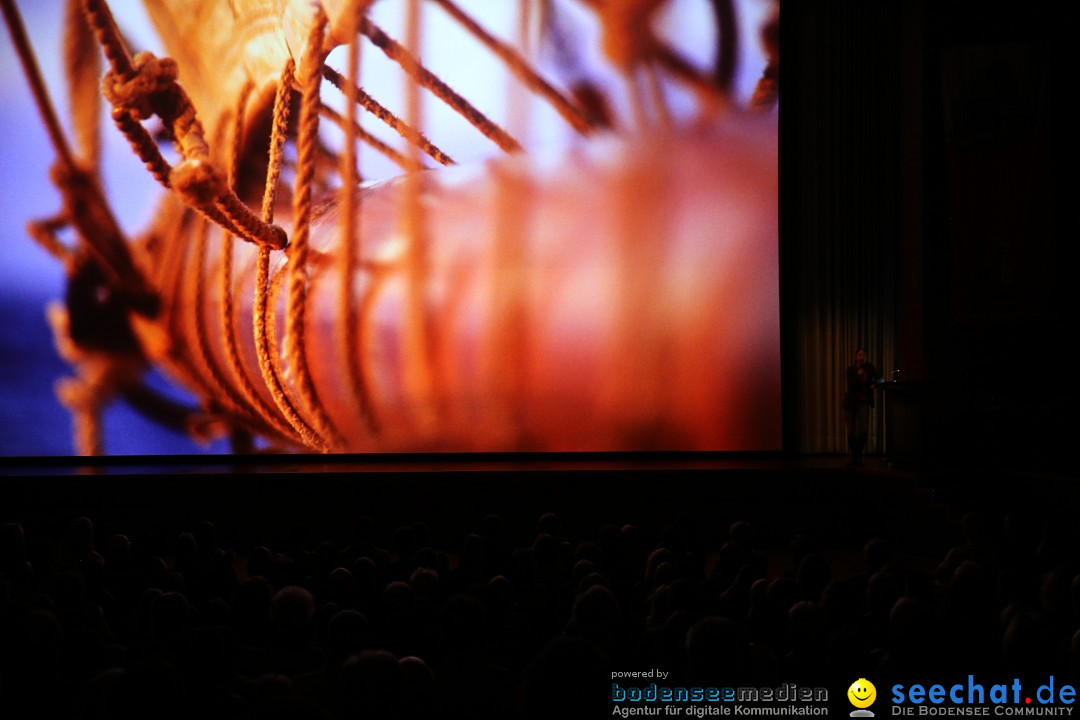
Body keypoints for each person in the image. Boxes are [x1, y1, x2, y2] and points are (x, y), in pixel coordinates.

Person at [843, 348, 879, 466]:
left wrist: (875, 385)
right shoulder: (851, 369)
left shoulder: (870, 367)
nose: (861, 357)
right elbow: (851, 386)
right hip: (850, 403)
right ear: (855, 357)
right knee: (851, 431)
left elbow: (881, 378)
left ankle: (858, 455)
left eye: (863, 355)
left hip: (864, 402)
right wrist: (859, 376)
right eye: (859, 355)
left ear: (866, 357)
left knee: (863, 430)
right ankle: (855, 457)